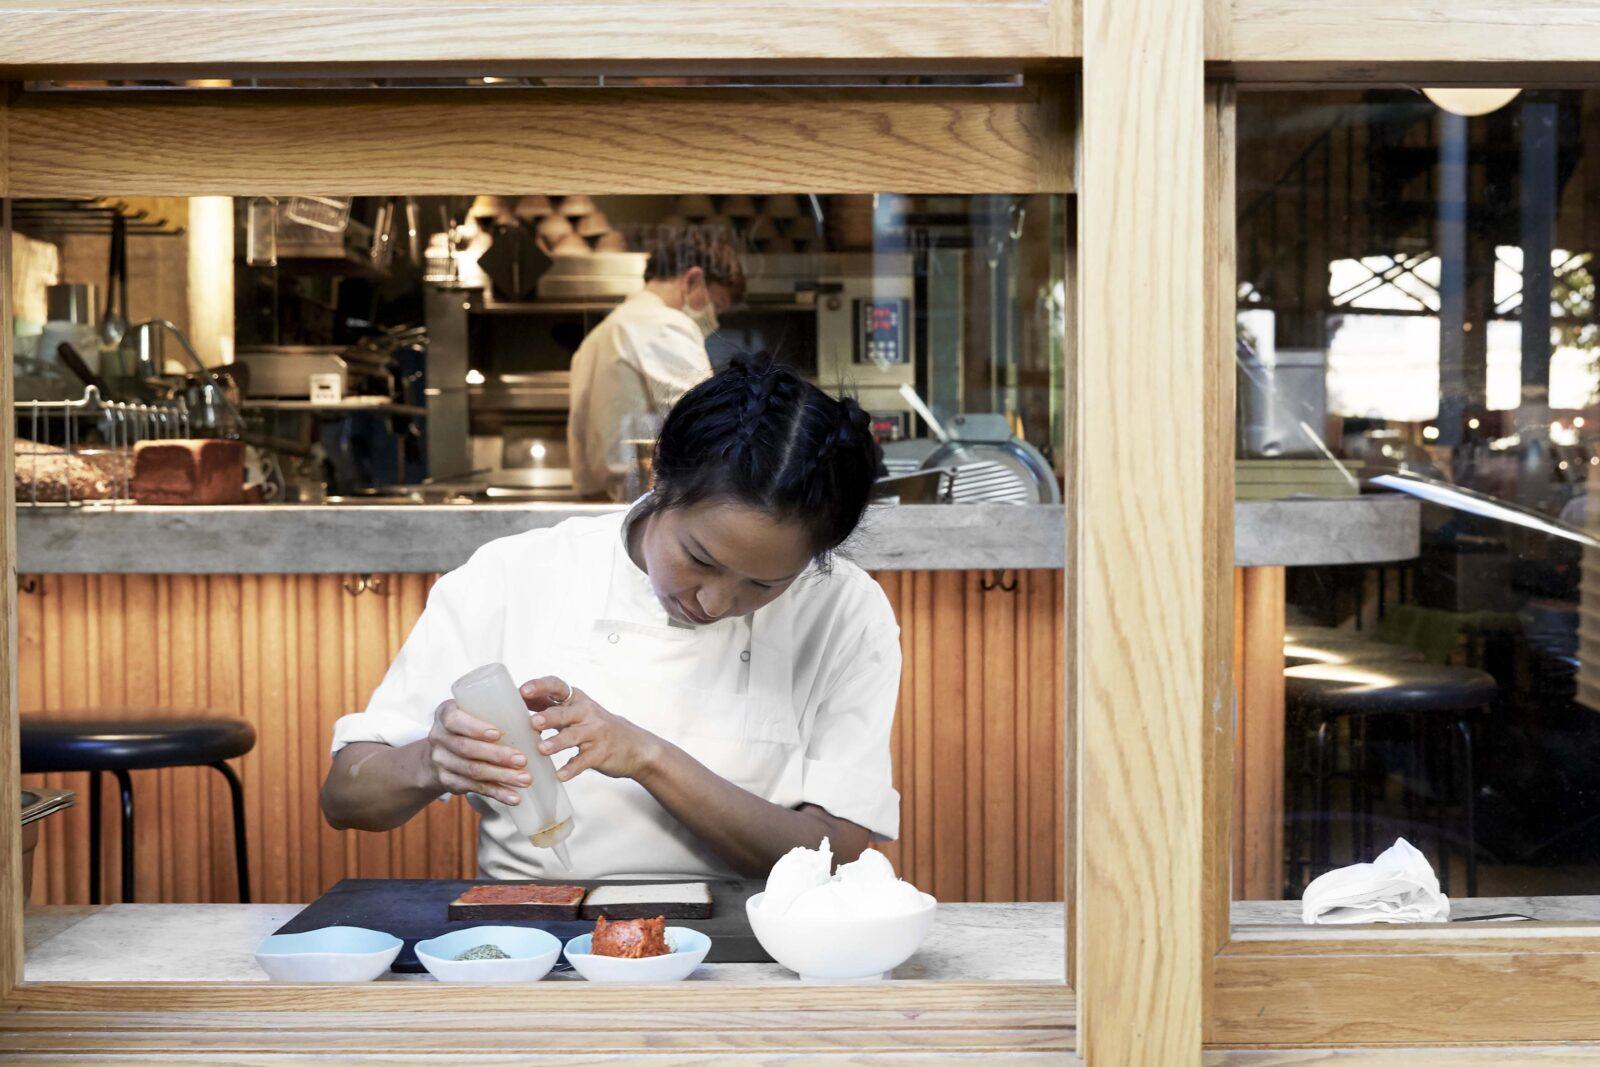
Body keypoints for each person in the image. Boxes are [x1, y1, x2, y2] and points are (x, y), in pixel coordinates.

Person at [321, 356, 899, 880]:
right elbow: (345, 798)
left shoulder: (845, 609)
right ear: (658, 479)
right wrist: (430, 761)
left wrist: (647, 756)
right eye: (698, 559)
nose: (715, 603)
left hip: (762, 938)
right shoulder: (513, 574)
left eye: (765, 583)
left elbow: (835, 851)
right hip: (538, 939)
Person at [566, 226, 746, 500]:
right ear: (693, 279)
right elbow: (710, 428)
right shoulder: (665, 324)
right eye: (717, 304)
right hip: (647, 506)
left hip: (600, 505)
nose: (715, 319)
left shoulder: (598, 335)